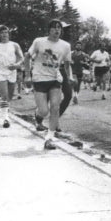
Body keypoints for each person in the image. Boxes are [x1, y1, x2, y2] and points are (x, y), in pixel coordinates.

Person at [25, 19, 72, 150]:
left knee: (55, 108)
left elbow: (67, 63)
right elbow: (27, 56)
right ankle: (38, 115)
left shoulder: (66, 46)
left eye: (59, 28)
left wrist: (70, 77)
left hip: (55, 79)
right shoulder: (39, 41)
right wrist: (28, 75)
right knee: (44, 111)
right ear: (49, 30)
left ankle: (49, 139)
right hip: (39, 78)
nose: (57, 30)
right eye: (54, 28)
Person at [0, 25, 24, 128]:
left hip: (12, 72)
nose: (4, 34)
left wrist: (16, 65)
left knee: (9, 96)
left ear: (8, 34)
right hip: (1, 72)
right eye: (2, 33)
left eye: (6, 32)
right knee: (4, 96)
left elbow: (21, 58)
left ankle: (6, 110)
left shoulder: (14, 45)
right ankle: (5, 118)